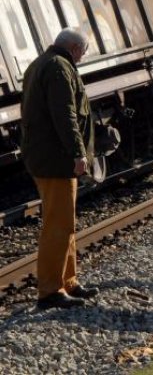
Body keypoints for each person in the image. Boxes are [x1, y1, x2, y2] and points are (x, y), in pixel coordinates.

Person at [21, 28, 99, 309]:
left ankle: (68, 281)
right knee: (58, 225)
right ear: (76, 48)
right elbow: (65, 113)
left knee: (65, 223)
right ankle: (50, 290)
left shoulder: (42, 63)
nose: (82, 58)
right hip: (56, 160)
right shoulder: (59, 67)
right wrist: (78, 153)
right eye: (84, 53)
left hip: (49, 157)